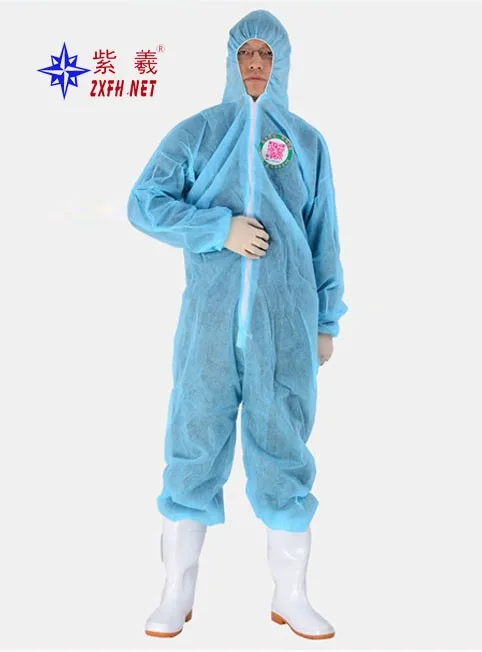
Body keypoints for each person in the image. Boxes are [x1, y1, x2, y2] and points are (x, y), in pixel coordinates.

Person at [127, 9, 348, 641]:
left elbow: (324, 237)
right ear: (230, 62)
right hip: (210, 324)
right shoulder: (200, 132)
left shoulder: (306, 142)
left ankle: (292, 595)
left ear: (282, 65)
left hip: (287, 325)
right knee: (194, 443)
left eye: (265, 55)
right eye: (245, 54)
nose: (255, 64)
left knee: (285, 451)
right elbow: (145, 202)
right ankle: (176, 591)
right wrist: (216, 229)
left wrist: (326, 320)